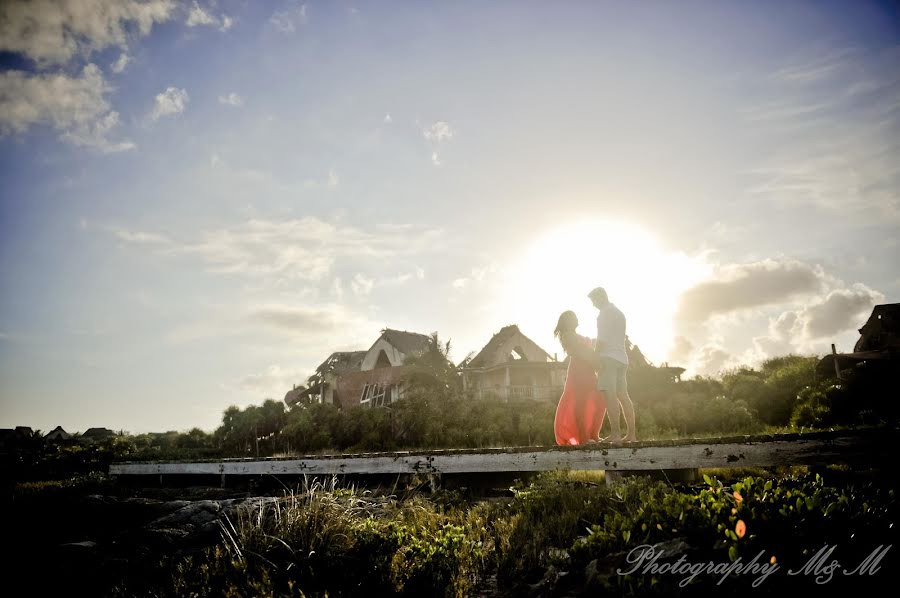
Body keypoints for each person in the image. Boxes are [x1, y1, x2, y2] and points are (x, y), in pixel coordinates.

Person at [588, 286, 637, 443]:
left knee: (610, 397)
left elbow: (601, 341)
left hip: (608, 359)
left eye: (594, 301)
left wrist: (595, 358)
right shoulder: (618, 312)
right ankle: (631, 435)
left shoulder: (603, 314)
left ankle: (615, 434)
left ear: (601, 297)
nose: (593, 305)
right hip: (622, 359)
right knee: (624, 396)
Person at [553, 310, 607, 446]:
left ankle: (594, 434)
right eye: (575, 317)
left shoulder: (575, 335)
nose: (578, 318)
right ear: (569, 320)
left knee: (600, 399)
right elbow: (578, 351)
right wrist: (595, 358)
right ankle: (584, 438)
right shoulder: (566, 336)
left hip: (588, 371)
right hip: (578, 372)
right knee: (580, 405)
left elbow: (588, 349)